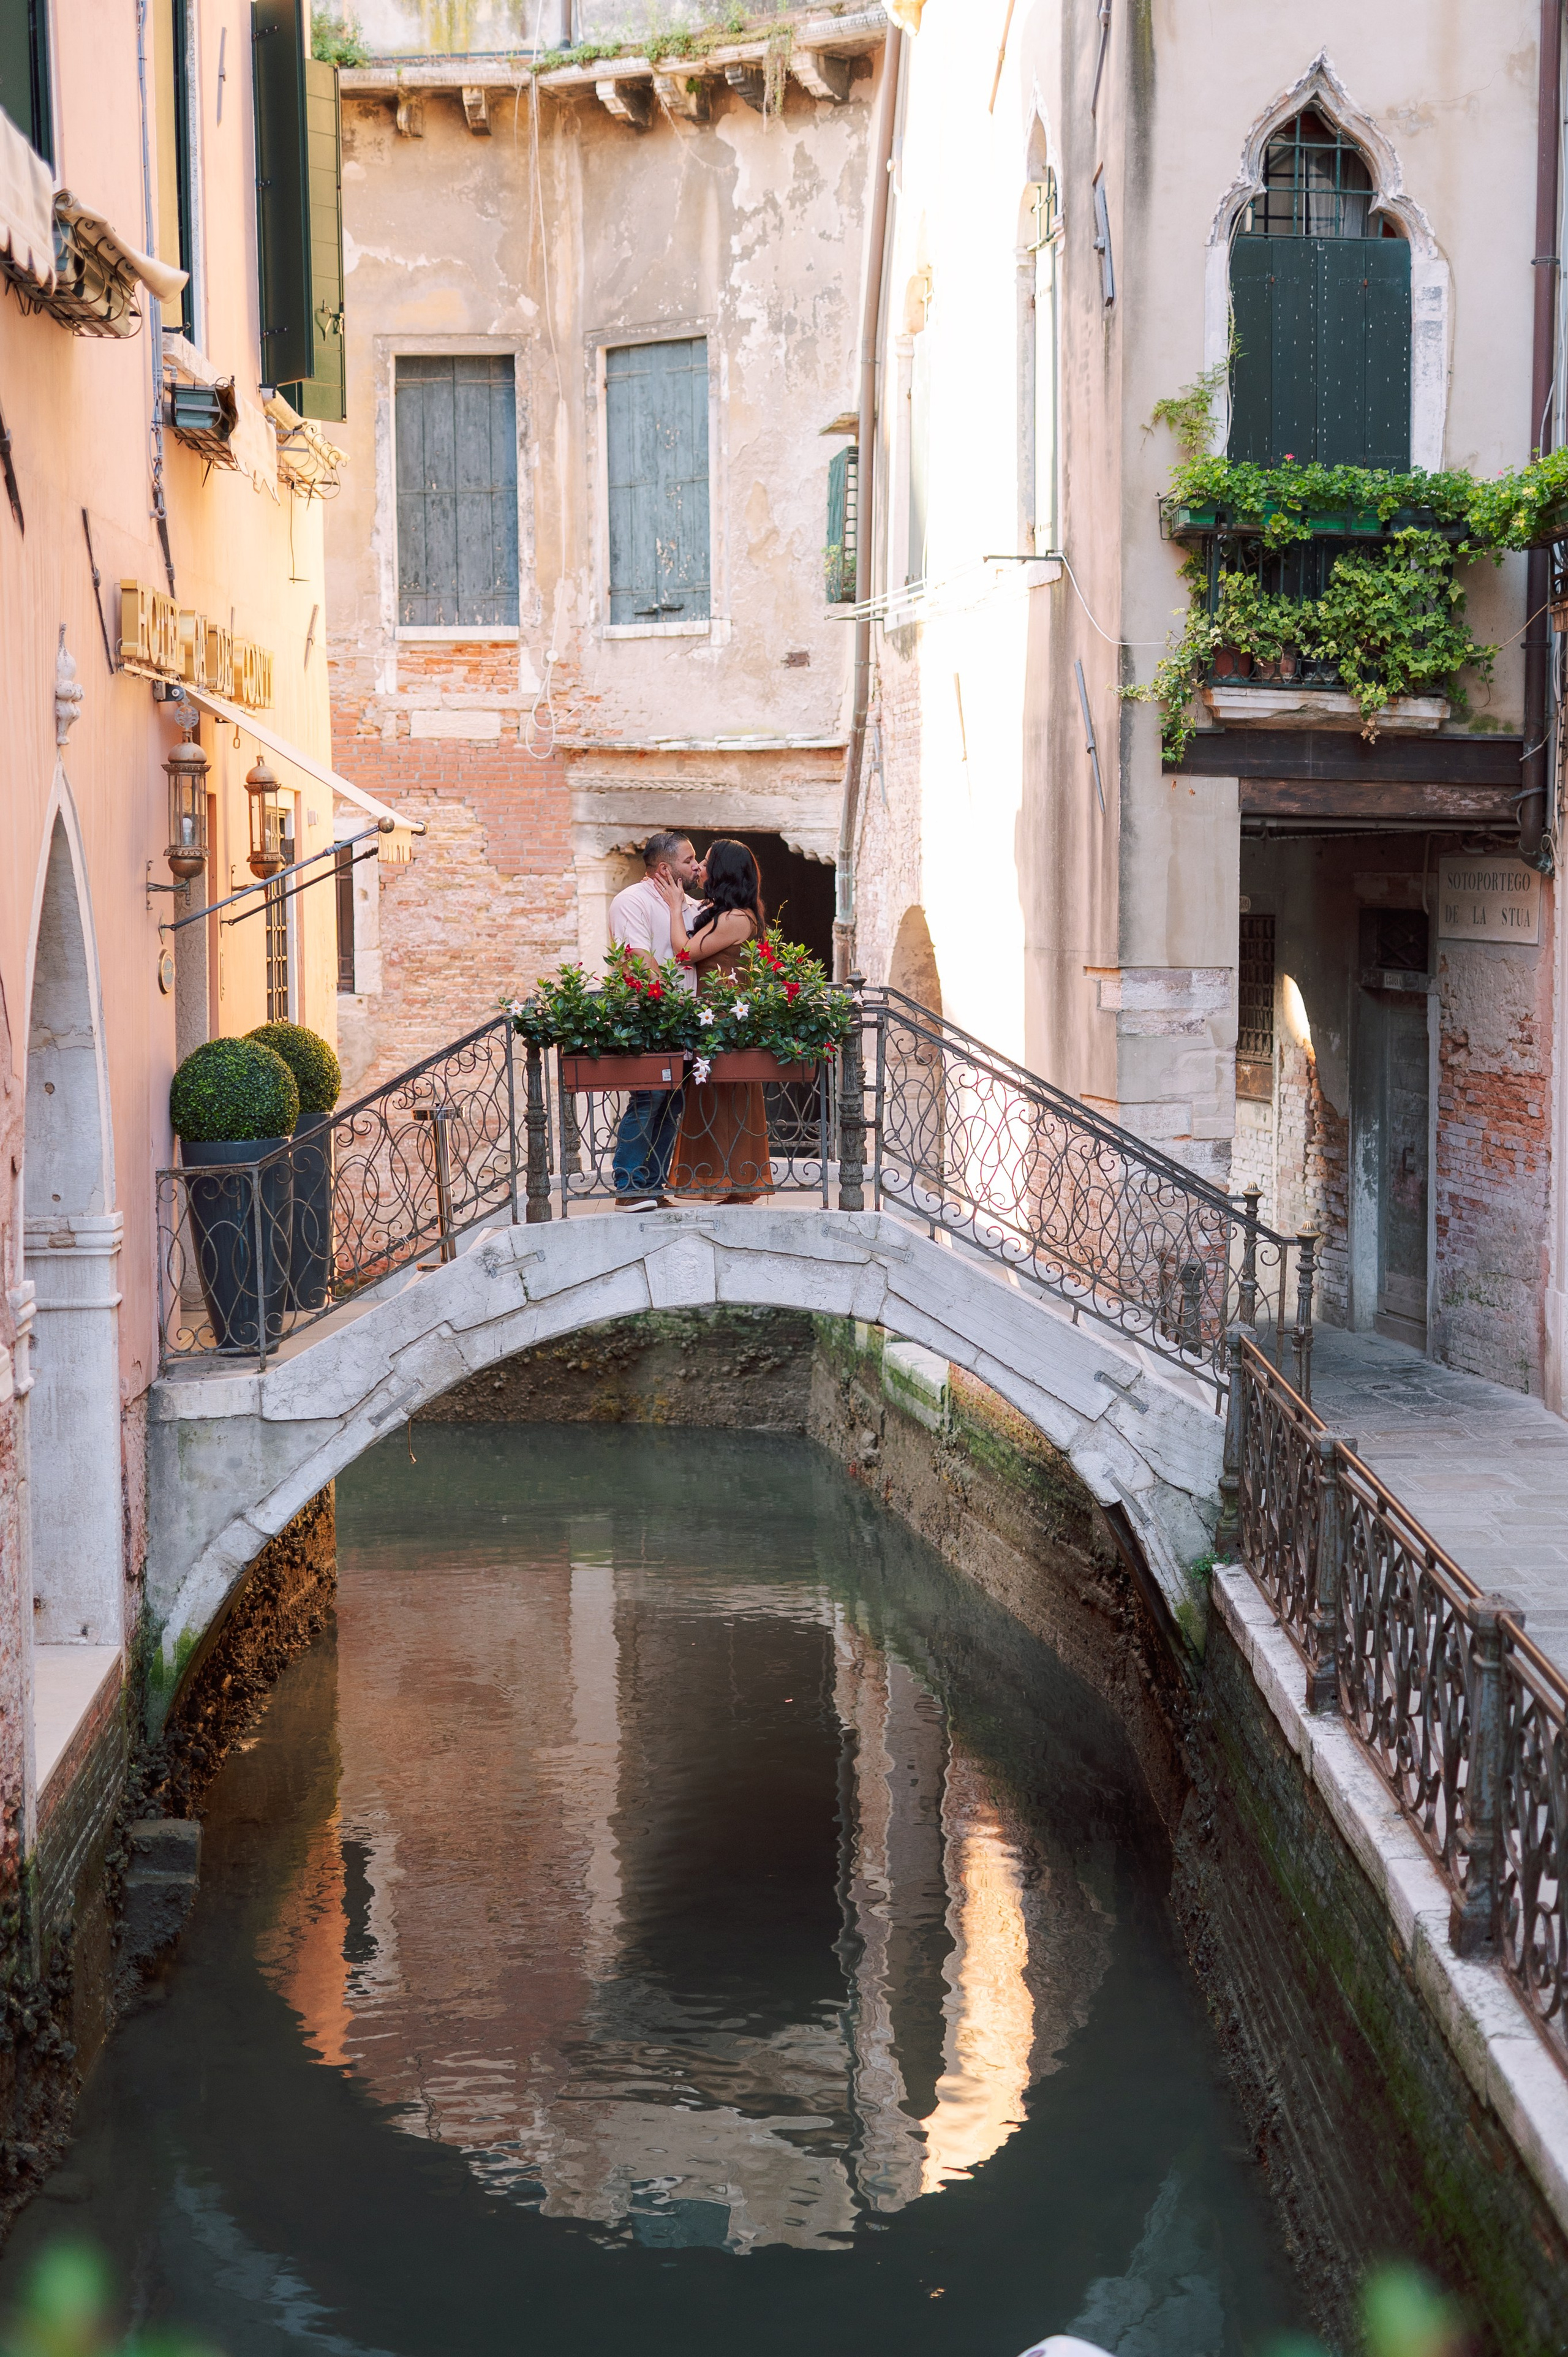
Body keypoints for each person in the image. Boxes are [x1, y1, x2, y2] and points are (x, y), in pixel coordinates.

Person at [652, 839, 772, 1204]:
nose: (698, 868)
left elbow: (684, 953)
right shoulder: (725, 913)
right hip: (710, 1017)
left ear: (721, 872)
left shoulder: (738, 919)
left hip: (724, 1019)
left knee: (728, 1099)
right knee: (711, 1098)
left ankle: (740, 1183)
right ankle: (730, 1181)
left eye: (704, 862)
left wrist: (675, 907)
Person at [606, 832, 705, 1210]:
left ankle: (653, 1185)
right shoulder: (631, 900)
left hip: (684, 1023)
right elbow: (638, 958)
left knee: (673, 1104)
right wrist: (670, 1006)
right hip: (649, 1018)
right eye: (689, 859)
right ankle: (629, 1186)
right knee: (648, 1100)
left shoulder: (691, 905)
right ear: (665, 868)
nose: (696, 866)